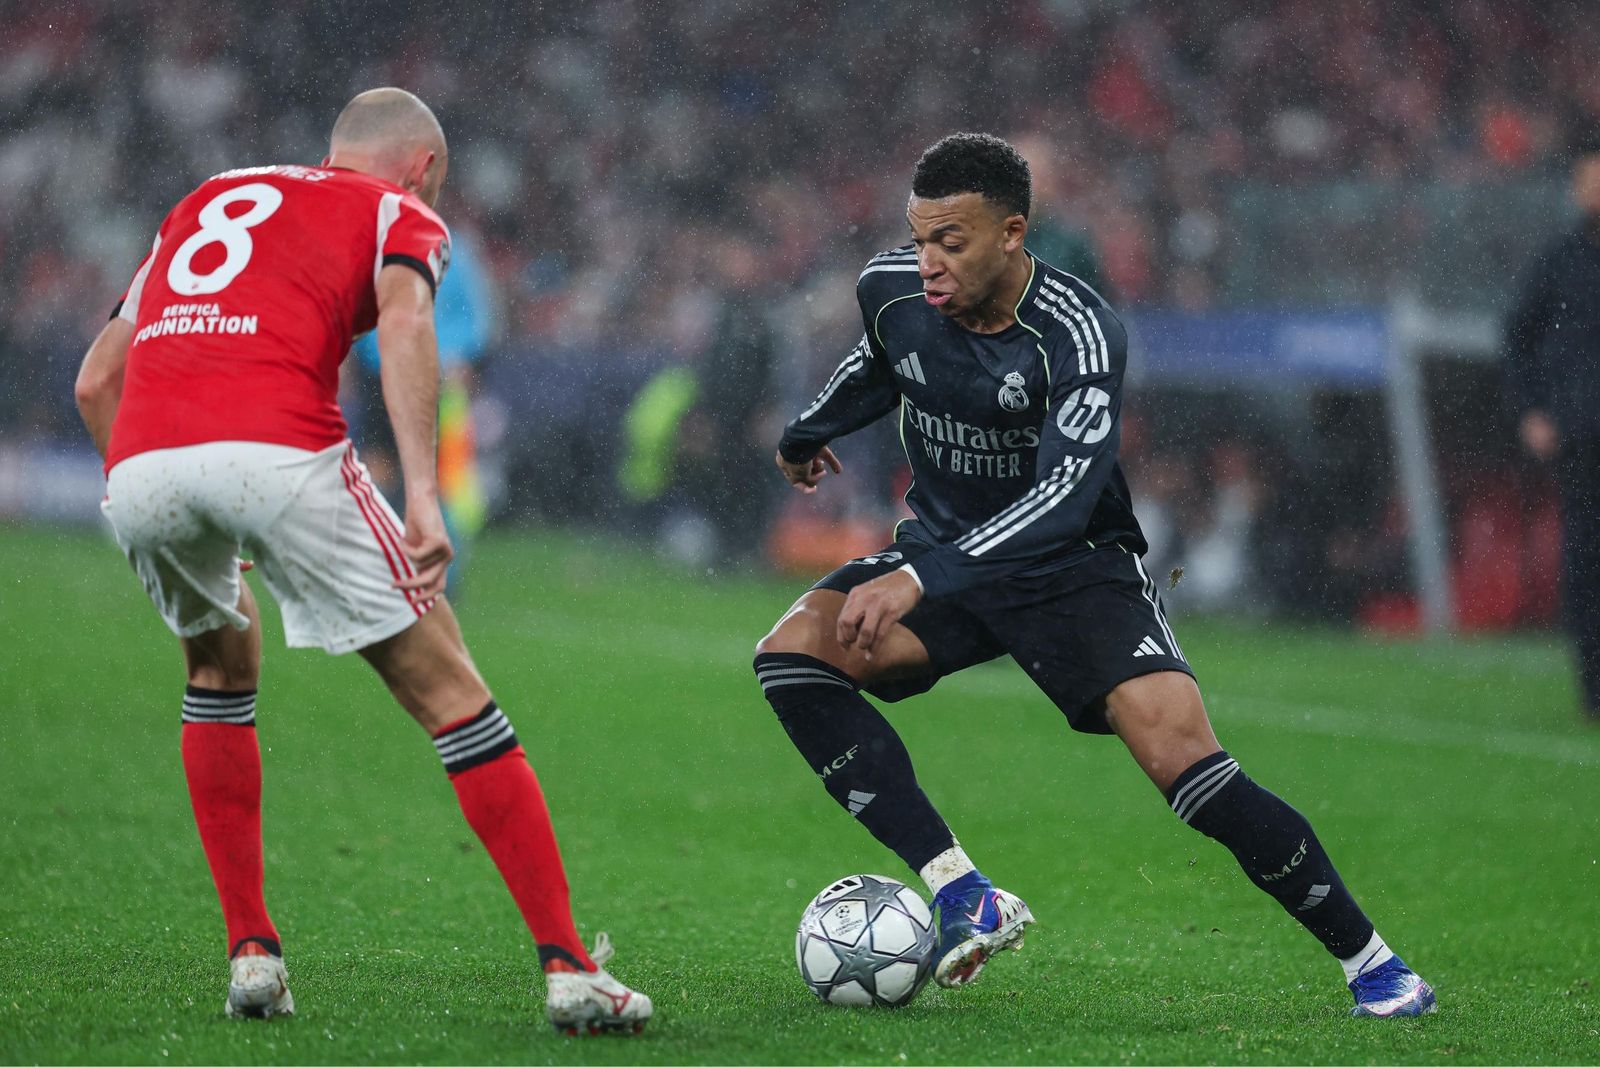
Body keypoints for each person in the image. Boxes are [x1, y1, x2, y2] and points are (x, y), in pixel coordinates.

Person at [752, 133, 1434, 1017]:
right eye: (918, 238)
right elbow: (882, 362)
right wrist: (810, 428)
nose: (926, 262)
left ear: (1012, 232)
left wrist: (918, 581)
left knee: (1184, 759)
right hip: (948, 558)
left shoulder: (1080, 331)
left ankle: (1375, 963)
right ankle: (962, 890)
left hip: (1073, 570)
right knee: (795, 652)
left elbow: (1068, 495)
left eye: (949, 242)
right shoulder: (891, 289)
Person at [72, 88, 650, 1035]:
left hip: (140, 465)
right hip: (279, 448)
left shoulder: (207, 196)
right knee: (451, 689)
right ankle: (570, 966)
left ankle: (252, 952)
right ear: (422, 167)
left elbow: (97, 376)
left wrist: (153, 490)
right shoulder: (398, 212)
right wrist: (424, 496)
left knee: (219, 668)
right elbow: (408, 329)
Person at [1504, 134, 1600, 723]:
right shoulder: (1558, 261)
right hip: (1583, 434)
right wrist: (1532, 410)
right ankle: (1594, 686)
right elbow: (1516, 337)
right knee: (1586, 558)